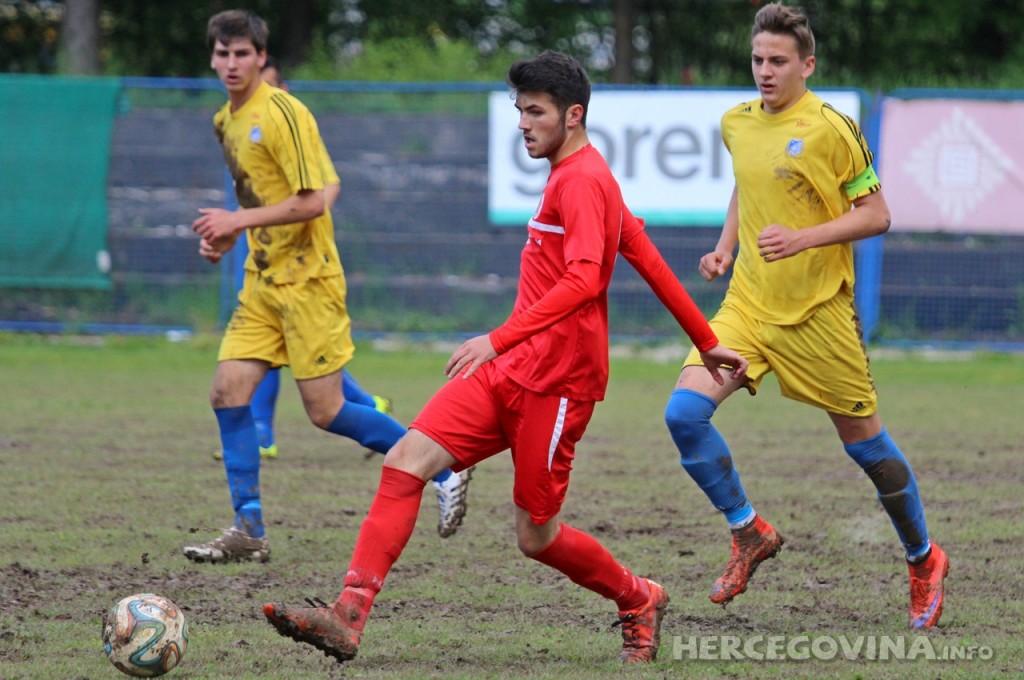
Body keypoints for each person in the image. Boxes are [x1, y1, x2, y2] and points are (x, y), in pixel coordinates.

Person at [263, 50, 749, 665]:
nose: (523, 123)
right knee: (407, 460)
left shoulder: (582, 180)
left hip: (557, 385)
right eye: (520, 110)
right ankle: (347, 614)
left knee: (536, 536)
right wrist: (704, 340)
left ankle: (639, 597)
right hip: (508, 370)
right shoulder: (577, 173)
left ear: (573, 115)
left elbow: (583, 281)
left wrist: (496, 338)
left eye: (535, 111)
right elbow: (644, 253)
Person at [662, 2, 948, 629]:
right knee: (683, 415)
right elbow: (748, 184)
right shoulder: (737, 122)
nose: (765, 71)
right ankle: (748, 532)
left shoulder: (831, 128)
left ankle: (923, 558)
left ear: (807, 65)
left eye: (778, 61)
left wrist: (802, 238)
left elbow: (877, 215)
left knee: (867, 448)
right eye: (758, 60)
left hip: (818, 315)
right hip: (747, 308)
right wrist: (725, 247)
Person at [187, 10, 473, 565]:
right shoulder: (225, 120)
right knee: (227, 391)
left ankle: (442, 467)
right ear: (213, 57)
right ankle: (248, 528)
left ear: (261, 57)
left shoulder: (283, 112)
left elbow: (315, 199)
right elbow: (258, 202)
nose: (231, 63)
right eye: (223, 54)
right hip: (262, 281)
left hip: (308, 282)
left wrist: (236, 222)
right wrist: (226, 238)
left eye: (242, 53)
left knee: (326, 410)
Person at [212, 56, 400, 463]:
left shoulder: (293, 124)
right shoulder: (233, 124)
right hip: (266, 272)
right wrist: (231, 233)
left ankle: (404, 436)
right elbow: (257, 201)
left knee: (321, 398)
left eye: (269, 84)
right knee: (248, 371)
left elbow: (322, 193)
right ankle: (261, 437)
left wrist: (292, 219)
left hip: (307, 273)